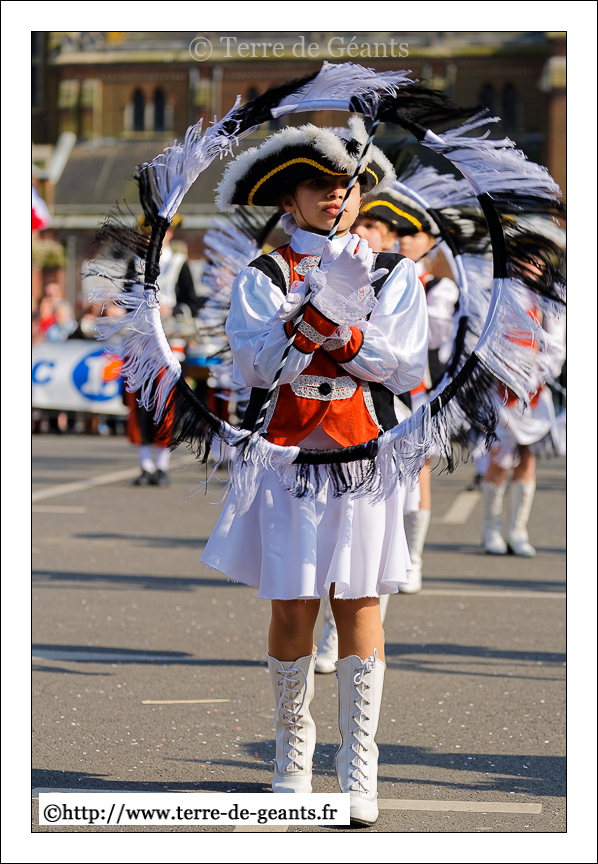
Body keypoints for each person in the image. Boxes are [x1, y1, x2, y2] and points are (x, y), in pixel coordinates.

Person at [200, 119, 428, 825]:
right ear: (288, 199)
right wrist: (318, 315)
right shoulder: (264, 276)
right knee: (294, 605)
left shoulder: (393, 272)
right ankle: (291, 752)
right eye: (318, 185)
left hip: (363, 458)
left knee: (359, 603)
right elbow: (260, 367)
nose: (336, 196)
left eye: (346, 186)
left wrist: (341, 329)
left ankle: (359, 762)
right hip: (289, 460)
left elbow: (403, 366)